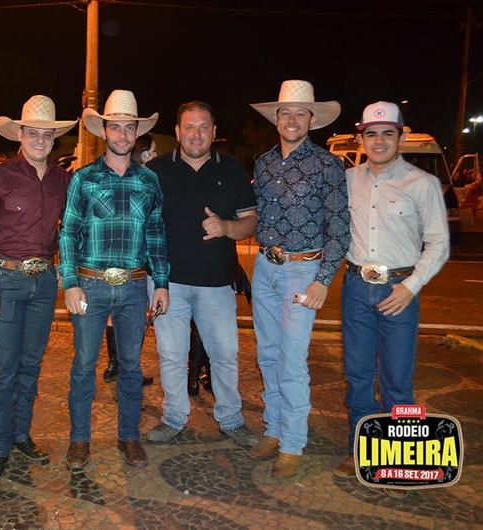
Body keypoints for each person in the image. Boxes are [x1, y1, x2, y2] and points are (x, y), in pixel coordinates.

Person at [332, 102, 449, 490]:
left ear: (401, 135)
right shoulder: (347, 180)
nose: (379, 141)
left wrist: (410, 286)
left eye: (387, 133)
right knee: (358, 375)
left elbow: (438, 243)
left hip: (399, 289)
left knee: (397, 378)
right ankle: (361, 449)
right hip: (355, 288)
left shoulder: (421, 183)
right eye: (371, 134)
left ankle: (398, 457)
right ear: (361, 138)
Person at [59, 89, 169, 469]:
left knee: (131, 367)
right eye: (116, 127)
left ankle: (129, 436)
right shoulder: (83, 178)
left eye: (129, 128)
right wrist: (70, 281)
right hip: (90, 285)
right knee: (84, 365)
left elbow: (156, 234)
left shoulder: (149, 180)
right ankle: (79, 439)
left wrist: (162, 283)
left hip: (135, 287)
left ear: (137, 132)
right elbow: (68, 233)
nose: (122, 135)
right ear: (104, 131)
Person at [0, 95, 77, 481]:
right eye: (33, 133)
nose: (40, 140)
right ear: (20, 135)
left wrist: (65, 269)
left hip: (44, 282)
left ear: (54, 138)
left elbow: (73, 228)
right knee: (3, 367)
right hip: (6, 280)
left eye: (46, 134)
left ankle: (20, 434)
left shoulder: (64, 180)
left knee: (31, 365)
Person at [248, 80, 350, 477]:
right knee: (268, 354)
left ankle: (292, 443)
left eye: (300, 113)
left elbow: (339, 228)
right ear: (276, 119)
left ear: (312, 120)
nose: (292, 120)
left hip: (303, 271)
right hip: (265, 267)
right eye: (286, 113)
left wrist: (322, 279)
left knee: (291, 360)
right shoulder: (263, 163)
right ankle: (273, 429)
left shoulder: (328, 165)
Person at [144, 101, 258, 448]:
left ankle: (231, 419)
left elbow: (250, 222)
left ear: (214, 131)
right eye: (189, 127)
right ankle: (173, 418)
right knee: (171, 355)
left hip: (217, 283)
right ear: (177, 132)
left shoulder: (233, 170)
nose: (196, 134)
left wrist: (226, 227)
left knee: (225, 354)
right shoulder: (155, 171)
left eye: (203, 127)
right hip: (167, 284)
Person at [103, 133, 157, 385]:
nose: (155, 155)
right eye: (153, 151)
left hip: (117, 258)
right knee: (132, 316)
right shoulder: (144, 182)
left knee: (116, 314)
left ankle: (116, 364)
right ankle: (126, 366)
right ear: (144, 154)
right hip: (135, 261)